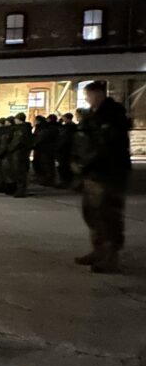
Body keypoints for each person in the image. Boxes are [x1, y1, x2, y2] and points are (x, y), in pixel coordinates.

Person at [72, 81, 131, 273]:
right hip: (92, 173)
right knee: (92, 213)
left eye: (89, 95)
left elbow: (105, 147)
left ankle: (111, 257)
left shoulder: (112, 115)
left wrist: (85, 163)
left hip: (108, 172)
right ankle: (98, 250)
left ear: (99, 94)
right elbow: (82, 141)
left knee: (108, 215)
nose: (88, 98)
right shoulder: (91, 115)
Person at [10, 113, 33, 198]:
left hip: (20, 153)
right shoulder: (24, 129)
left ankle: (21, 190)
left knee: (20, 172)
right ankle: (20, 190)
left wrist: (11, 148)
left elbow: (18, 141)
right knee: (20, 172)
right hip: (21, 152)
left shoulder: (22, 129)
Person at [56, 112, 77, 188]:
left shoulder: (67, 127)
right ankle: (67, 182)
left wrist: (58, 147)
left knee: (63, 167)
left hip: (64, 150)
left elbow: (63, 138)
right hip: (68, 149)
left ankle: (65, 182)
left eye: (64, 118)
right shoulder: (73, 126)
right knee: (65, 167)